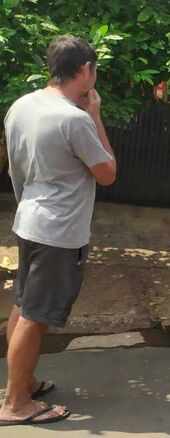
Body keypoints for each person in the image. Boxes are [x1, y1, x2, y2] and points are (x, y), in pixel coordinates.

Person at [0, 35, 117, 425]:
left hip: (29, 219)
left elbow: (16, 166)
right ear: (85, 69)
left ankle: (23, 382)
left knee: (24, 305)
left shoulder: (22, 105)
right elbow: (107, 174)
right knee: (36, 315)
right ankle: (16, 404)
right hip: (58, 231)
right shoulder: (75, 119)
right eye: (94, 69)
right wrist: (96, 116)